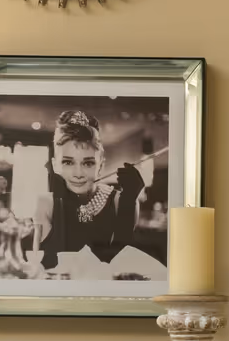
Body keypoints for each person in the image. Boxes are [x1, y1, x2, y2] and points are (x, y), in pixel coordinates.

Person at [34, 108, 149, 267]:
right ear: (55, 165)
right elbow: (48, 263)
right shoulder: (46, 204)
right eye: (68, 162)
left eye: (88, 163)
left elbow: (121, 265)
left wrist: (128, 202)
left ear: (101, 165)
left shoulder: (120, 201)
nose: (78, 173)